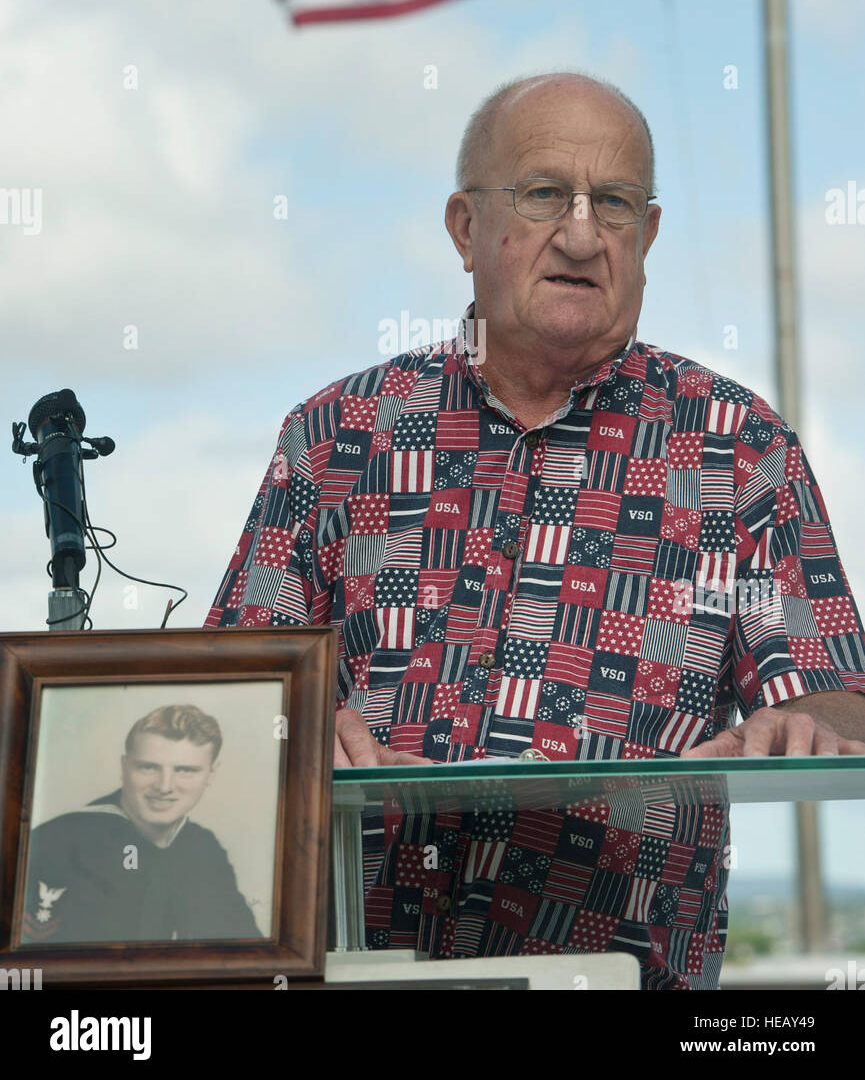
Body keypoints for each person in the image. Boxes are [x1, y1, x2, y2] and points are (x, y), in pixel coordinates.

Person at [205, 72, 865, 988]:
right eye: (545, 193)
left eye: (617, 203)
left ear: (649, 235)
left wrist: (799, 724)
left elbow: (836, 696)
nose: (584, 234)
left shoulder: (735, 445)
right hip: (354, 967)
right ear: (465, 227)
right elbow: (225, 697)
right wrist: (296, 726)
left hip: (625, 975)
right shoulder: (337, 435)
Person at [22, 703, 261, 944]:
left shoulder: (203, 848)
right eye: (148, 767)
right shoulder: (55, 842)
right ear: (124, 767)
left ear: (211, 774)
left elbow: (246, 954)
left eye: (185, 770)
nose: (165, 787)